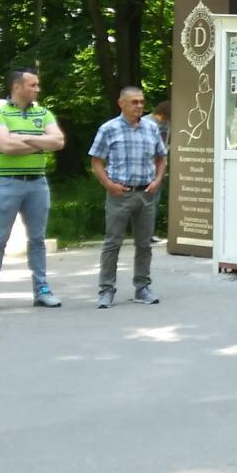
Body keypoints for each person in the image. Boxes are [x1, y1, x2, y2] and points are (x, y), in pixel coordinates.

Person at [0, 67, 67, 314]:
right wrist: (39, 143)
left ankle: (42, 291)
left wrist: (22, 138)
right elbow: (4, 146)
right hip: (7, 182)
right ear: (17, 87)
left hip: (37, 182)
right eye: (33, 85)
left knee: (37, 239)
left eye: (37, 85)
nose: (37, 89)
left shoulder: (43, 112)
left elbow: (58, 142)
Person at [89, 86, 168, 308]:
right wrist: (109, 185)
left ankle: (142, 287)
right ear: (121, 103)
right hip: (120, 194)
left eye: (142, 102)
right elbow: (96, 160)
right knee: (112, 243)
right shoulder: (109, 129)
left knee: (144, 244)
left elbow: (162, 157)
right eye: (134, 102)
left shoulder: (151, 128)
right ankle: (106, 290)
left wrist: (158, 179)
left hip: (146, 193)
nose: (140, 106)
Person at [150, 100, 171, 244]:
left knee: (155, 201)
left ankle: (149, 233)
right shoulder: (146, 123)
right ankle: (144, 233)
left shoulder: (168, 124)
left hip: (160, 166)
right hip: (147, 167)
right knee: (146, 202)